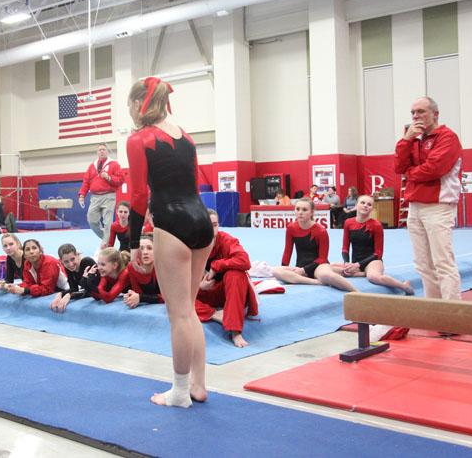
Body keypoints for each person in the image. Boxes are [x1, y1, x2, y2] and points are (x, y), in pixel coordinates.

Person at [126, 76, 214, 408]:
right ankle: (199, 385)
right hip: (202, 222)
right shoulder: (186, 136)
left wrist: (134, 242)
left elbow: (137, 197)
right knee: (188, 310)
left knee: (177, 315)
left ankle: (179, 393)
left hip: (171, 225)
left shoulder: (140, 139)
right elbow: (192, 184)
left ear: (138, 104)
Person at [395, 96, 463, 300]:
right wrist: (406, 140)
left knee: (442, 262)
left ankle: (452, 313)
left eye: (421, 111)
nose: (416, 116)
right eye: (413, 112)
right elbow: (399, 167)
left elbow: (434, 169)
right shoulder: (414, 140)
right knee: (423, 264)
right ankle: (434, 310)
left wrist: (411, 173)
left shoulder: (447, 137)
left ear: (435, 114)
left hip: (438, 206)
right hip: (416, 206)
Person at [194, 209, 258, 348]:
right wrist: (199, 287)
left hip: (226, 292)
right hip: (203, 294)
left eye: (215, 225)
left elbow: (244, 261)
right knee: (175, 299)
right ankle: (216, 314)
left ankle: (235, 331)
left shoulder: (226, 240)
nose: (212, 229)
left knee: (236, 274)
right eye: (207, 225)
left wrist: (217, 265)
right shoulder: (192, 245)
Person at [331, 195, 414, 295]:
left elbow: (378, 253)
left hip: (372, 261)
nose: (366, 205)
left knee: (373, 277)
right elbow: (345, 248)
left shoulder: (376, 225)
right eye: (362, 203)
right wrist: (347, 263)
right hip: (355, 262)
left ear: (372, 209)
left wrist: (357, 265)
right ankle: (362, 273)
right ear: (356, 205)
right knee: (329, 267)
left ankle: (404, 285)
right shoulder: (348, 223)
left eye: (369, 204)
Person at [273, 199, 357, 292]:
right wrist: (284, 267)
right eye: (298, 209)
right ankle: (316, 282)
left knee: (327, 275)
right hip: (300, 266)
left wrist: (304, 270)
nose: (300, 212)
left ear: (312, 212)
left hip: (319, 266)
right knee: (276, 271)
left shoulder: (320, 230)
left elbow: (323, 258)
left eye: (304, 210)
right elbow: (287, 252)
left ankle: (356, 292)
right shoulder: (291, 228)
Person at [78, 143, 124, 243]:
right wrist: (82, 195)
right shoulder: (92, 166)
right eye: (99, 150)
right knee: (91, 220)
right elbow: (86, 181)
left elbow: (120, 179)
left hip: (109, 196)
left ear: (107, 151)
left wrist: (108, 177)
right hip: (94, 197)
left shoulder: (114, 164)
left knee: (107, 222)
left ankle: (105, 244)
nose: (102, 151)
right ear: (97, 152)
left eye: (103, 149)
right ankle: (107, 240)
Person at [0, 239, 67, 297]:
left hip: (67, 288)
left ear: (40, 251)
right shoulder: (27, 263)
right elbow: (28, 283)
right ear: (25, 255)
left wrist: (26, 290)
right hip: (54, 288)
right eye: (27, 249)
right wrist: (15, 287)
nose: (31, 252)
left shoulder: (49, 263)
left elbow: (47, 289)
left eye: (34, 248)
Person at [49, 243, 97, 313]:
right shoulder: (68, 268)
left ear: (77, 255)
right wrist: (60, 294)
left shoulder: (87, 262)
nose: (70, 264)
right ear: (61, 261)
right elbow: (74, 288)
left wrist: (69, 296)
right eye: (66, 262)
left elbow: (93, 290)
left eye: (72, 259)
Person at [123, 234, 162, 309]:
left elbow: (169, 297)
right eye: (141, 249)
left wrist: (141, 298)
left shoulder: (162, 267)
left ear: (156, 250)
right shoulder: (132, 267)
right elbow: (137, 293)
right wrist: (131, 296)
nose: (145, 252)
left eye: (149, 248)